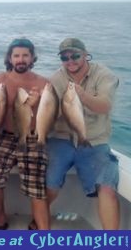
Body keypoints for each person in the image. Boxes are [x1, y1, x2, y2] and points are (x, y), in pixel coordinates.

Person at [46, 38, 120, 229]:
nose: (70, 61)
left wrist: (82, 96)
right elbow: (51, 113)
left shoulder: (104, 75)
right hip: (61, 139)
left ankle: (112, 241)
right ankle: (39, 221)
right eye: (64, 57)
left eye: (75, 55)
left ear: (86, 54)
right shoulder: (56, 78)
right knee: (49, 183)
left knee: (107, 187)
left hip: (94, 141)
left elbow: (105, 106)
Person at [0, 38, 50, 230]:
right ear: (10, 58)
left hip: (31, 137)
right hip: (4, 136)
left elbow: (49, 117)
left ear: (32, 58)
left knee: (36, 188)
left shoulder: (43, 83)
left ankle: (45, 232)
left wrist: (38, 102)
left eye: (25, 55)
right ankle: (0, 219)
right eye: (16, 56)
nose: (20, 59)